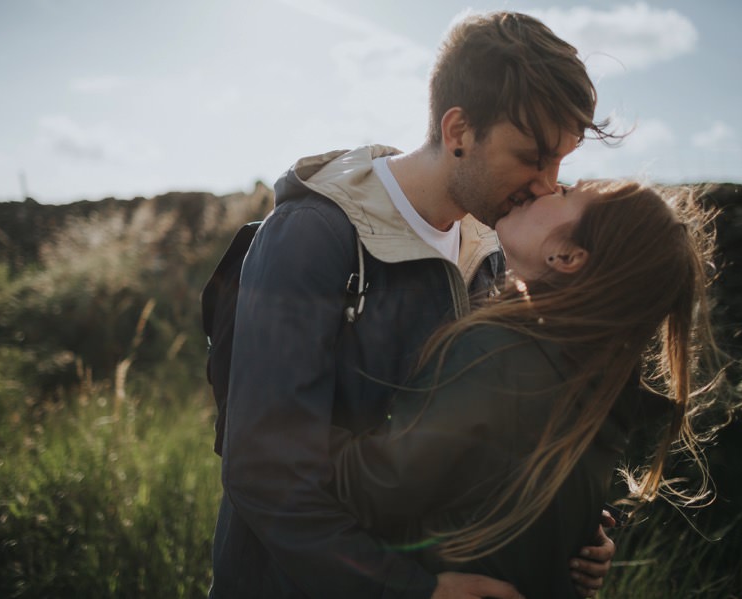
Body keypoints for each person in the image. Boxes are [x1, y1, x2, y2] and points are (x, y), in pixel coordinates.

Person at [212, 11, 619, 599]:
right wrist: (410, 590)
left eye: (561, 161)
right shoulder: (312, 237)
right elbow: (264, 469)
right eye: (533, 157)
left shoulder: (498, 257)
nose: (549, 183)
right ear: (458, 132)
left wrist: (577, 528)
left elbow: (494, 449)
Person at [331, 179, 722, 598]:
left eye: (568, 195)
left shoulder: (495, 354)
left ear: (567, 256)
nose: (548, 185)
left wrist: (279, 423)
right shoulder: (602, 383)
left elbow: (376, 488)